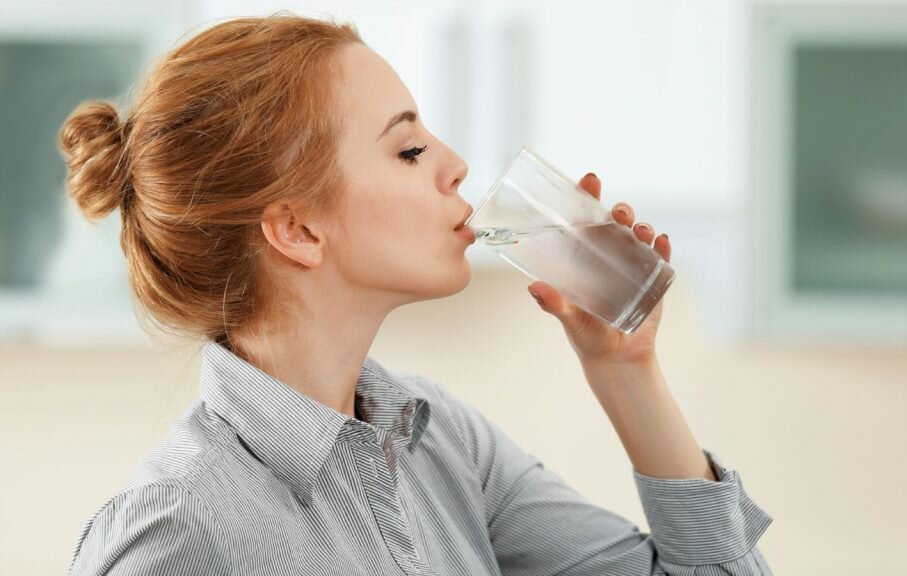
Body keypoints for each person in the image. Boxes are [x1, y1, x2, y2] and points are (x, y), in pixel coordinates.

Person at [59, 13, 773, 575]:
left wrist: (626, 372)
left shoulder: (439, 442)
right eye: (408, 150)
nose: (457, 165)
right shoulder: (175, 532)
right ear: (297, 229)